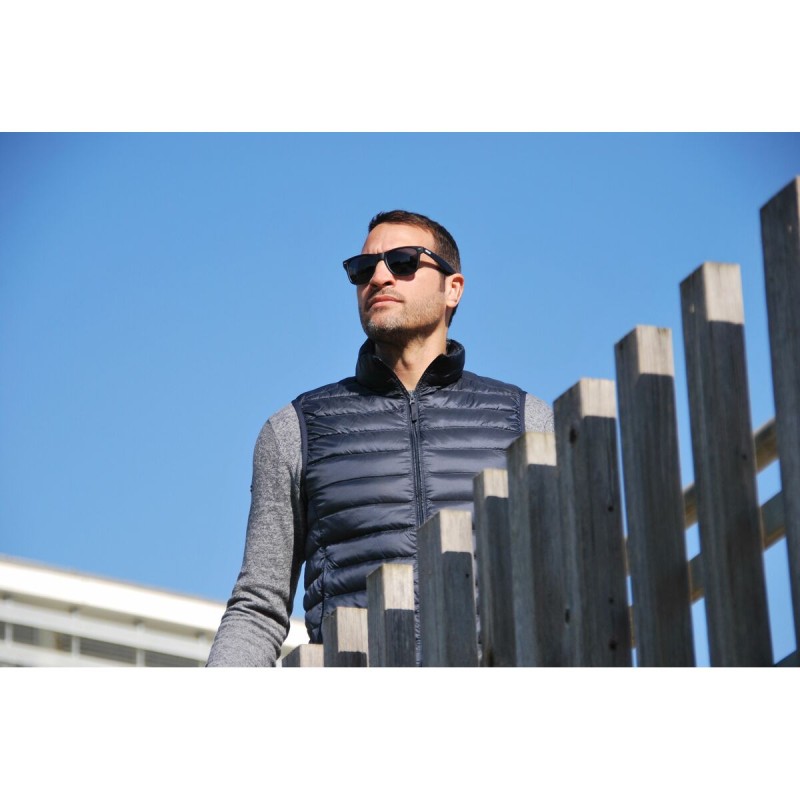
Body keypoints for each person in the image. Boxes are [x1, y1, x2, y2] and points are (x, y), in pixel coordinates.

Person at [206, 210, 553, 666]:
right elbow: (259, 607)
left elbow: (565, 582)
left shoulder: (527, 421)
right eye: (363, 268)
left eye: (404, 261)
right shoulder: (294, 429)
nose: (379, 277)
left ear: (453, 288)